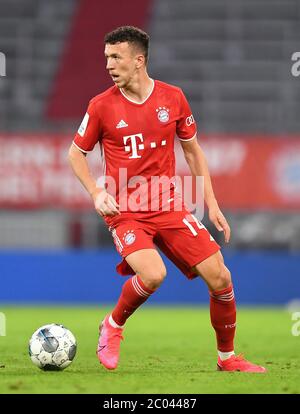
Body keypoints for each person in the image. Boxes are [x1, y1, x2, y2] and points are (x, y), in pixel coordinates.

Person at [68, 26, 266, 373]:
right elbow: (75, 154)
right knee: (154, 274)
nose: (109, 65)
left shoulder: (173, 98)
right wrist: (97, 193)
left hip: (168, 204)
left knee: (221, 277)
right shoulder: (100, 106)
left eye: (116, 57)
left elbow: (193, 152)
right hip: (125, 209)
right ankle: (112, 326)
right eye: (106, 58)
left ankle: (227, 358)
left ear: (139, 60)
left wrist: (212, 204)